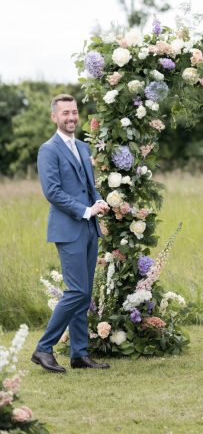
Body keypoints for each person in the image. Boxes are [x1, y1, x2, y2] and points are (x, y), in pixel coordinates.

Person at [31, 94, 110, 373]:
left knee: (84, 293)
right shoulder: (48, 150)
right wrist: (86, 210)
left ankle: (79, 354)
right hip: (68, 229)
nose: (71, 117)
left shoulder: (81, 145)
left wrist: (98, 201)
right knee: (76, 291)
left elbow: (89, 186)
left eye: (74, 112)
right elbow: (52, 192)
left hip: (90, 228)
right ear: (54, 117)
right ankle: (43, 348)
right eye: (65, 113)